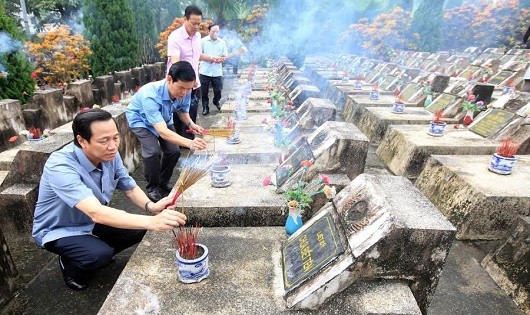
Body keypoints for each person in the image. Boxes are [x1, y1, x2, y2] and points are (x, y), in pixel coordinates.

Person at [32, 108, 188, 291]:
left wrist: (151, 206)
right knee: (100, 256)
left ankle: (87, 248)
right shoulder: (60, 166)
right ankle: (71, 263)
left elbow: (128, 186)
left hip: (92, 221)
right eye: (104, 140)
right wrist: (153, 221)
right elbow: (96, 212)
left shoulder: (109, 155)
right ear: (82, 140)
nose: (113, 146)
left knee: (140, 229)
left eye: (115, 137)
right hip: (61, 228)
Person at [126, 61, 207, 202]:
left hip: (163, 117)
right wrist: (190, 142)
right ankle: (153, 187)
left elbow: (182, 110)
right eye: (181, 88)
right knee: (153, 152)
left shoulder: (185, 91)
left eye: (189, 89)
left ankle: (163, 182)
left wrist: (191, 124)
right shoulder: (150, 95)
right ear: (169, 79)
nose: (185, 93)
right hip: (141, 121)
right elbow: (163, 132)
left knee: (174, 151)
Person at [166, 5, 222, 139]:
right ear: (185, 19)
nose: (197, 27)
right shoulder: (175, 37)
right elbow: (176, 64)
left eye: (199, 23)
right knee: (177, 116)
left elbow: (197, 55)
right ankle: (178, 146)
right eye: (193, 23)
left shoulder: (197, 36)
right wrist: (183, 85)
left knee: (191, 115)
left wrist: (211, 58)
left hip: (194, 84)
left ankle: (189, 144)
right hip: (179, 84)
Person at [199, 24, 228, 116]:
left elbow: (224, 55)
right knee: (204, 91)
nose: (215, 33)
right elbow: (199, 55)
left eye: (217, 31)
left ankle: (216, 101)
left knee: (218, 90)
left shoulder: (222, 42)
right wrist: (209, 59)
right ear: (209, 31)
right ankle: (205, 107)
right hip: (205, 70)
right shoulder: (202, 41)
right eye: (213, 31)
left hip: (217, 71)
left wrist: (222, 59)